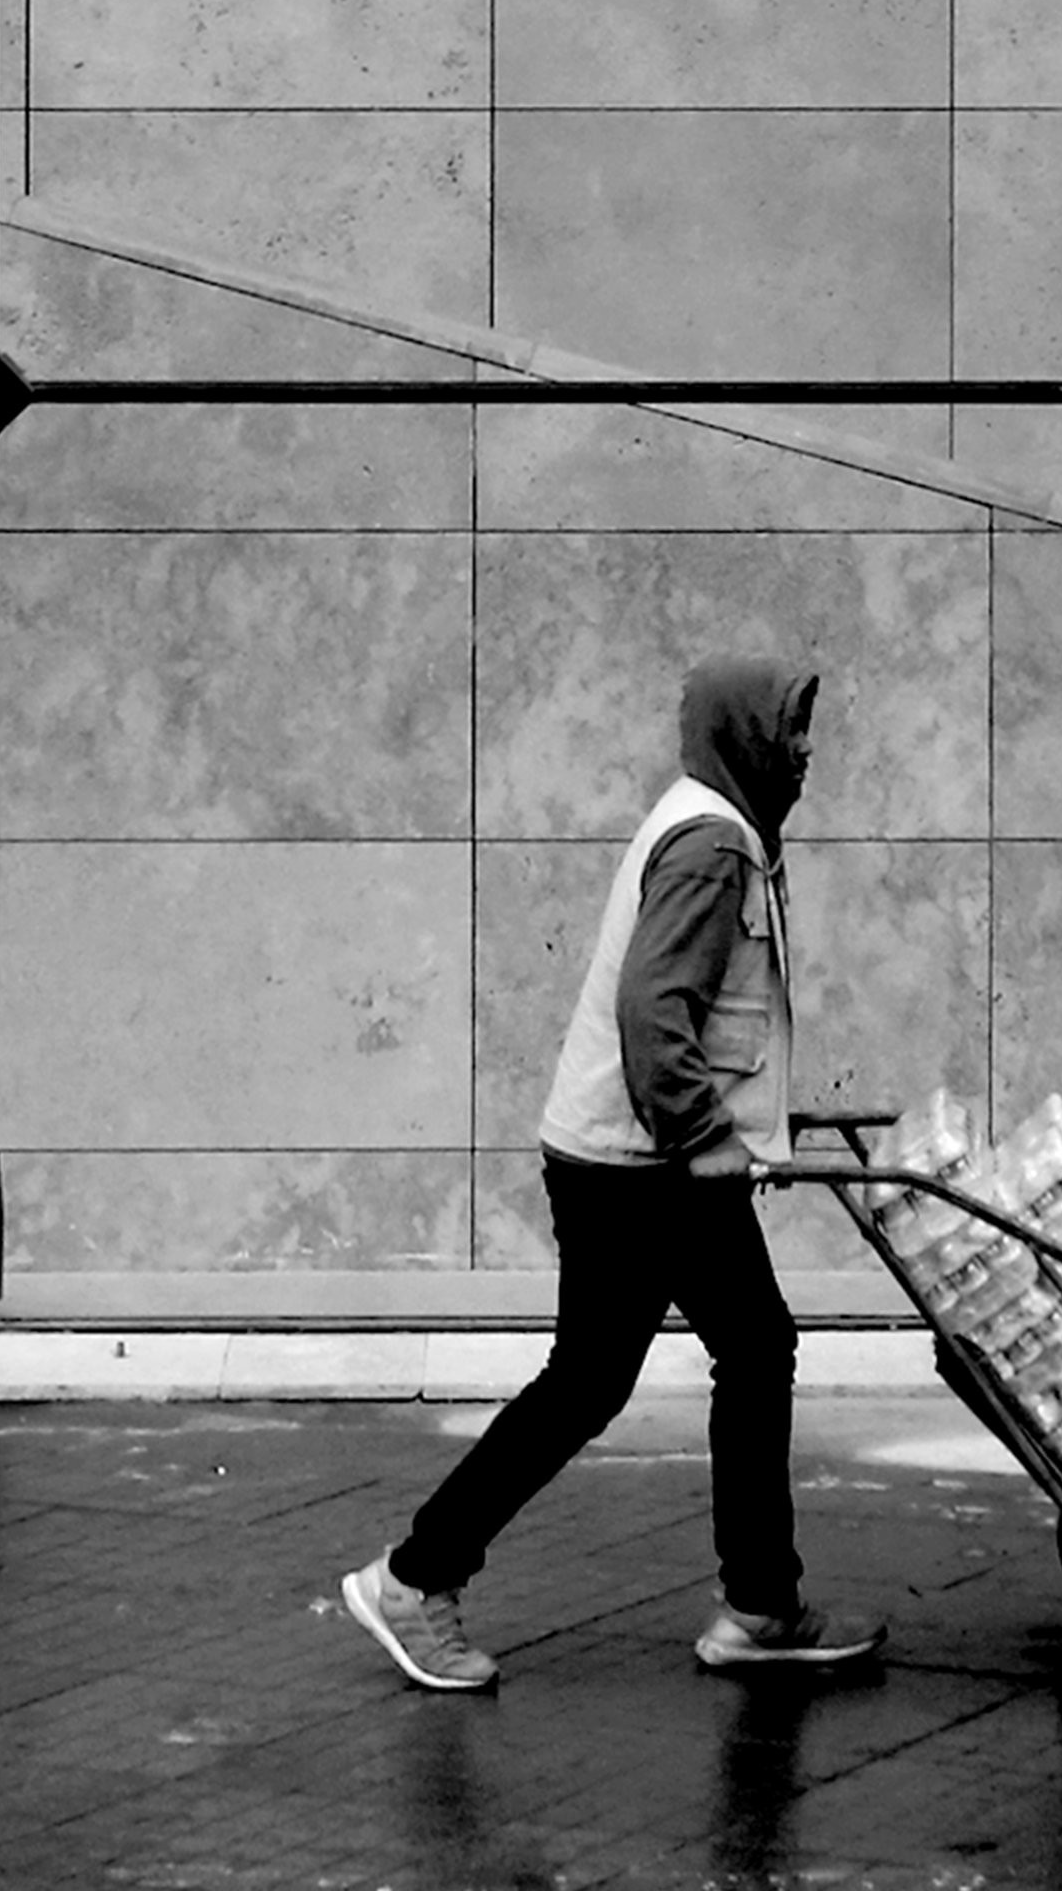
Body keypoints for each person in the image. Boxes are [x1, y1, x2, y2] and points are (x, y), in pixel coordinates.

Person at [343, 655, 880, 1691]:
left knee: (713, 1356)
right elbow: (654, 1012)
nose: (809, 753)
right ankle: (417, 1580)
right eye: (795, 731)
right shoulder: (712, 846)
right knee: (640, 1372)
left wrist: (751, 1118)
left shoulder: (714, 827)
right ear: (745, 735)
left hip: (633, 1157)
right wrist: (704, 1137)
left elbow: (699, 1022)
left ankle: (759, 1604)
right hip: (643, 1166)